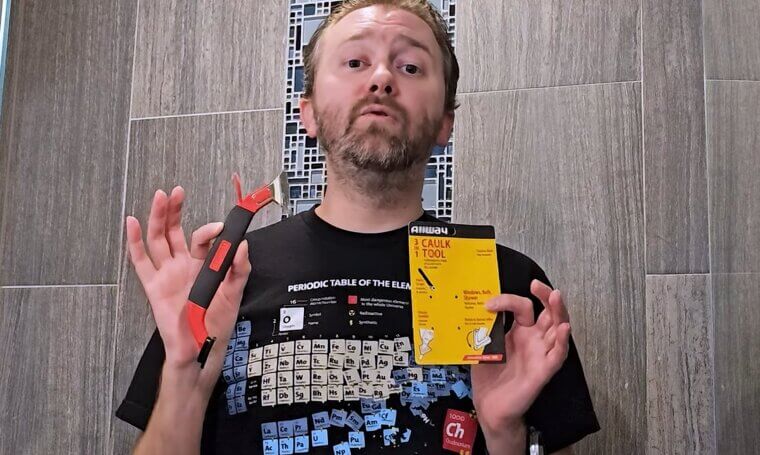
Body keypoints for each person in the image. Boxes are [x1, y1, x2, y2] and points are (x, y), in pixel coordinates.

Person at [116, 1, 600, 453]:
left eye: (410, 67)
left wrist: (504, 433)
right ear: (307, 113)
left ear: (445, 122)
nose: (383, 78)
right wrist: (185, 376)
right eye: (355, 63)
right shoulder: (223, 280)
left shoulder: (509, 290)